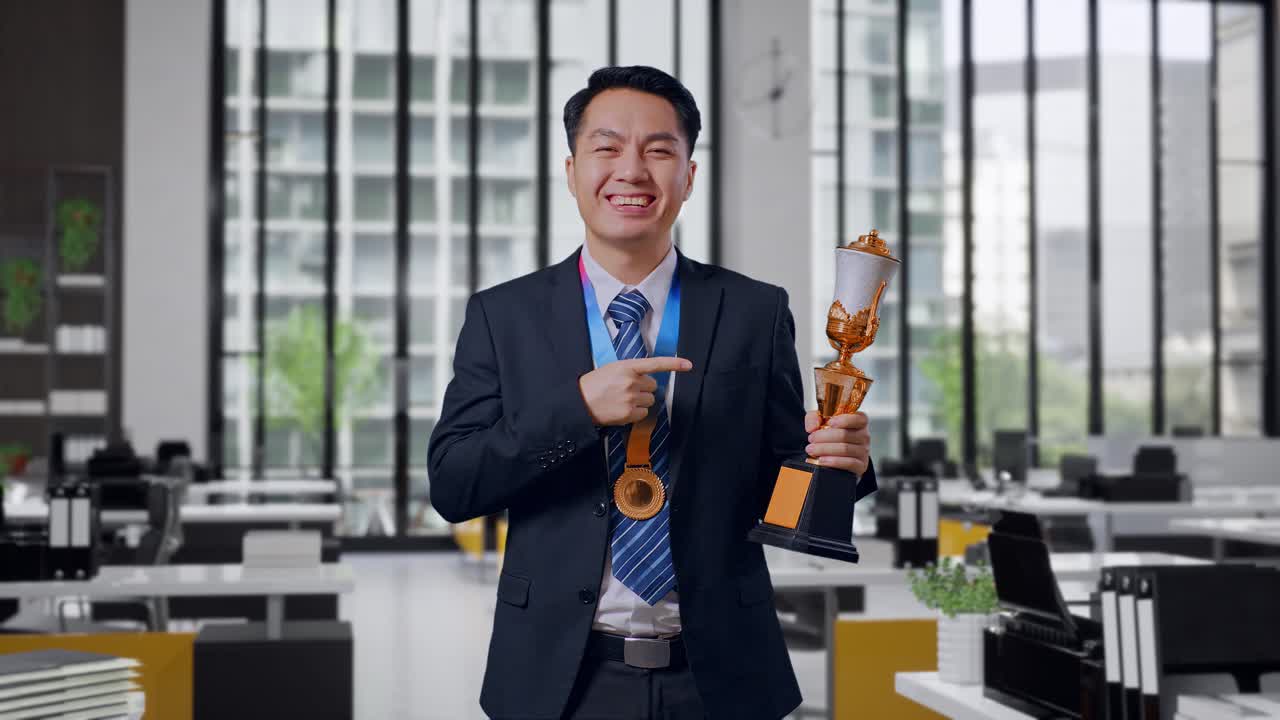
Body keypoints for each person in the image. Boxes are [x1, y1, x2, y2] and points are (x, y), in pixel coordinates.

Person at [428, 65, 875, 720]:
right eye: (607, 148)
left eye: (659, 150)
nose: (632, 171)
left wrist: (837, 465)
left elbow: (779, 504)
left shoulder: (752, 310)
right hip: (559, 681)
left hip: (722, 677)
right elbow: (454, 486)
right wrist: (576, 411)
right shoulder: (505, 316)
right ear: (572, 170)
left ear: (688, 176)